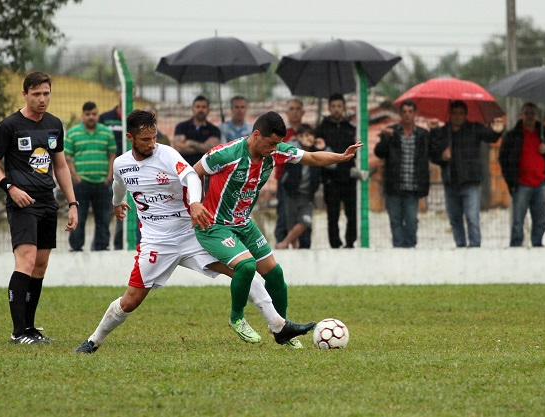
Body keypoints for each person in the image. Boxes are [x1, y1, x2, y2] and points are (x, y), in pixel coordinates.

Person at [74, 110, 313, 354]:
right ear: (130, 138)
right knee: (130, 301)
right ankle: (94, 341)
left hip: (191, 234)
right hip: (157, 242)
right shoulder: (122, 163)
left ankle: (278, 325)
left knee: (243, 269)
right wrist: (117, 203)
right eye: (145, 139)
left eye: (154, 137)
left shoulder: (166, 154)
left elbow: (191, 175)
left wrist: (196, 202)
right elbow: (118, 183)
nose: (151, 144)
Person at [193, 111, 362, 349]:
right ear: (256, 135)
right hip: (215, 225)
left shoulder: (277, 150)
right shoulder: (227, 153)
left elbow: (312, 158)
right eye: (271, 143)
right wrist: (195, 204)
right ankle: (237, 318)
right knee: (247, 266)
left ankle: (282, 331)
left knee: (275, 275)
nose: (274, 149)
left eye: (278, 144)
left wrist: (341, 157)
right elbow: (193, 173)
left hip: (243, 223)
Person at [0, 71, 78, 344]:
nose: (42, 99)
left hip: (47, 201)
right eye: (36, 94)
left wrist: (72, 203)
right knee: (25, 260)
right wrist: (10, 187)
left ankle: (30, 328)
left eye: (46, 93)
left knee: (40, 265)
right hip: (22, 203)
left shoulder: (54, 124)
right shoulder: (10, 125)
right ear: (25, 94)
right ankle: (18, 332)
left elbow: (60, 165)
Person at [429, 100, 504, 248]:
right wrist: (442, 156)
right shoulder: (443, 132)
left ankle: (475, 247)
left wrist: (498, 130)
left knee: (472, 218)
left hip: (470, 182)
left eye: (461, 114)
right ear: (449, 114)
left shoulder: (474, 128)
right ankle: (460, 246)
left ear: (466, 115)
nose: (457, 117)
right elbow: (432, 153)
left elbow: (490, 136)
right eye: (454, 113)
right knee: (455, 220)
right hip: (450, 183)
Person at [374, 100, 440, 248]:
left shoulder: (423, 135)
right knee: (395, 220)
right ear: (400, 114)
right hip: (394, 185)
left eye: (410, 112)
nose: (407, 115)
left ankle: (410, 248)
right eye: (404, 112)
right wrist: (385, 138)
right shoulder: (392, 132)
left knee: (411, 221)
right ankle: (398, 248)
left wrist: (434, 131)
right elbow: (379, 152)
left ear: (415, 114)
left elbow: (435, 153)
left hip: (413, 186)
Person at [65, 101, 116, 251]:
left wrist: (109, 177)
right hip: (82, 183)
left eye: (94, 114)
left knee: (103, 218)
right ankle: (76, 247)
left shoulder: (107, 133)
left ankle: (101, 247)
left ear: (98, 115)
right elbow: (67, 157)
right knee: (79, 217)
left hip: (102, 182)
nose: (91, 117)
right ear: (82, 115)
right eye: (87, 114)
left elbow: (112, 155)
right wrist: (76, 177)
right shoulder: (73, 133)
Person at [498, 102, 545, 247]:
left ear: (537, 116)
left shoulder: (544, 134)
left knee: (541, 221)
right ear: (521, 115)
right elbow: (503, 158)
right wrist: (511, 182)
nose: (530, 116)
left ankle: (537, 244)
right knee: (518, 221)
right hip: (521, 184)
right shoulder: (512, 135)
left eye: (532, 113)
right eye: (526, 113)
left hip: (540, 183)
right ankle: (516, 246)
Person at [314, 93, 358, 248]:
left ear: (344, 108)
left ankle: (350, 242)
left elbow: (357, 151)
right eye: (333, 106)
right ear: (328, 108)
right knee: (332, 215)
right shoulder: (321, 129)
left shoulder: (351, 128)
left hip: (349, 178)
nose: (336, 110)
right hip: (330, 180)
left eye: (339, 106)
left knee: (352, 214)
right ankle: (335, 244)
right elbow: (316, 153)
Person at [275, 124, 321, 249]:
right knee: (290, 223)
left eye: (309, 135)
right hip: (291, 192)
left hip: (307, 195)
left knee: (305, 221)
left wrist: (323, 147)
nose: (307, 138)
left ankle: (284, 243)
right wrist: (296, 141)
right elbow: (284, 148)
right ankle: (293, 249)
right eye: (303, 135)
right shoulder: (294, 149)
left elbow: (331, 164)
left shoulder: (317, 151)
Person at [274, 98, 311, 248]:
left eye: (297, 109)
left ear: (303, 112)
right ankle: (280, 247)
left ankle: (304, 248)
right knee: (284, 216)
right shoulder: (282, 135)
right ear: (287, 113)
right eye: (292, 109)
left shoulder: (308, 133)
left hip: (304, 183)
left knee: (304, 218)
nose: (295, 112)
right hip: (286, 182)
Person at [98, 92, 126, 250]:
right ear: (118, 94)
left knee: (126, 211)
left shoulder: (134, 118)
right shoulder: (105, 118)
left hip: (131, 172)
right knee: (107, 211)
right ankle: (101, 246)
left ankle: (120, 245)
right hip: (110, 171)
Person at [171, 95, 221, 166]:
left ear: (208, 110)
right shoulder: (181, 127)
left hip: (206, 169)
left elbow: (212, 149)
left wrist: (191, 143)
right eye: (198, 107)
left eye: (204, 107)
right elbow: (178, 147)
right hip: (185, 168)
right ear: (193, 108)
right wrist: (202, 147)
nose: (200, 110)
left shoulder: (214, 130)